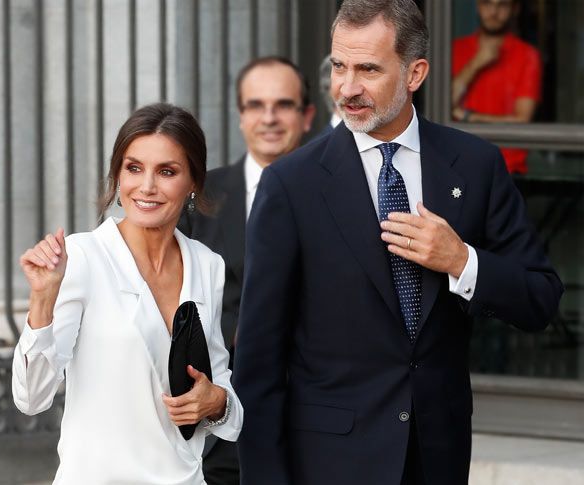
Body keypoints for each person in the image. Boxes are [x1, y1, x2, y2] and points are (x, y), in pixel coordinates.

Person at [233, 1, 562, 484]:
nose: (347, 88)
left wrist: (462, 261)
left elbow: (541, 298)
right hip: (330, 463)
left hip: (437, 457)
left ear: (415, 73)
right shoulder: (291, 185)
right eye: (339, 67)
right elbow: (258, 364)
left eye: (368, 69)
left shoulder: (475, 166)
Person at [12, 103, 243, 485]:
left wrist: (216, 401)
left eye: (167, 171)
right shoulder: (83, 257)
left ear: (193, 184)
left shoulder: (207, 264)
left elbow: (222, 391)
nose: (147, 186)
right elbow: (30, 397)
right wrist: (42, 298)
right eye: (134, 168)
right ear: (118, 176)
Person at [178, 56, 315, 485]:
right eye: (255, 105)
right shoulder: (201, 196)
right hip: (217, 424)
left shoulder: (342, 194)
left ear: (307, 116)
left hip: (315, 422)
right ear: (240, 117)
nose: (269, 118)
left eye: (283, 105)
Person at [452, 0, 542, 174]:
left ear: (514, 9)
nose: (493, 12)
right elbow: (444, 103)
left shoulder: (527, 55)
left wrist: (469, 118)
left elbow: (522, 119)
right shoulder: (455, 49)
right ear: (478, 6)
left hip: (508, 169)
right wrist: (476, 63)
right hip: (459, 163)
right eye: (487, 3)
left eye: (503, 5)